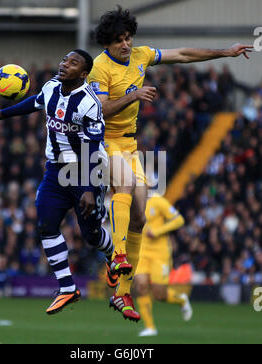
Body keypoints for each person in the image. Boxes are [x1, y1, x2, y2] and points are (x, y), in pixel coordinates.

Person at [88, 5, 253, 322]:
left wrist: (226, 52)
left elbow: (184, 55)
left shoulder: (141, 56)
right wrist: (133, 96)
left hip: (129, 144)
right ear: (107, 43)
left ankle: (122, 293)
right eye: (118, 40)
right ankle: (117, 254)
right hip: (103, 141)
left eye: (128, 37)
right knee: (123, 183)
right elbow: (101, 110)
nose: (126, 44)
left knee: (139, 218)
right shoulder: (99, 68)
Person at [0, 49, 115, 315]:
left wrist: (89, 190)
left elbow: (92, 148)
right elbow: (35, 102)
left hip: (85, 171)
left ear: (83, 73)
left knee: (91, 235)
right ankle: (67, 288)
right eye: (65, 60)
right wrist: (2, 113)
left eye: (73, 62)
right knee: (46, 224)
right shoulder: (51, 87)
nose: (65, 64)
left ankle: (113, 255)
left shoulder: (90, 103)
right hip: (56, 170)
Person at [134, 194, 191, 337]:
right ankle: (150, 327)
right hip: (142, 252)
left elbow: (179, 220)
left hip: (160, 254)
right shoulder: (132, 202)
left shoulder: (158, 201)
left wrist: (157, 231)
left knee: (159, 294)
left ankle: (181, 299)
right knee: (141, 286)